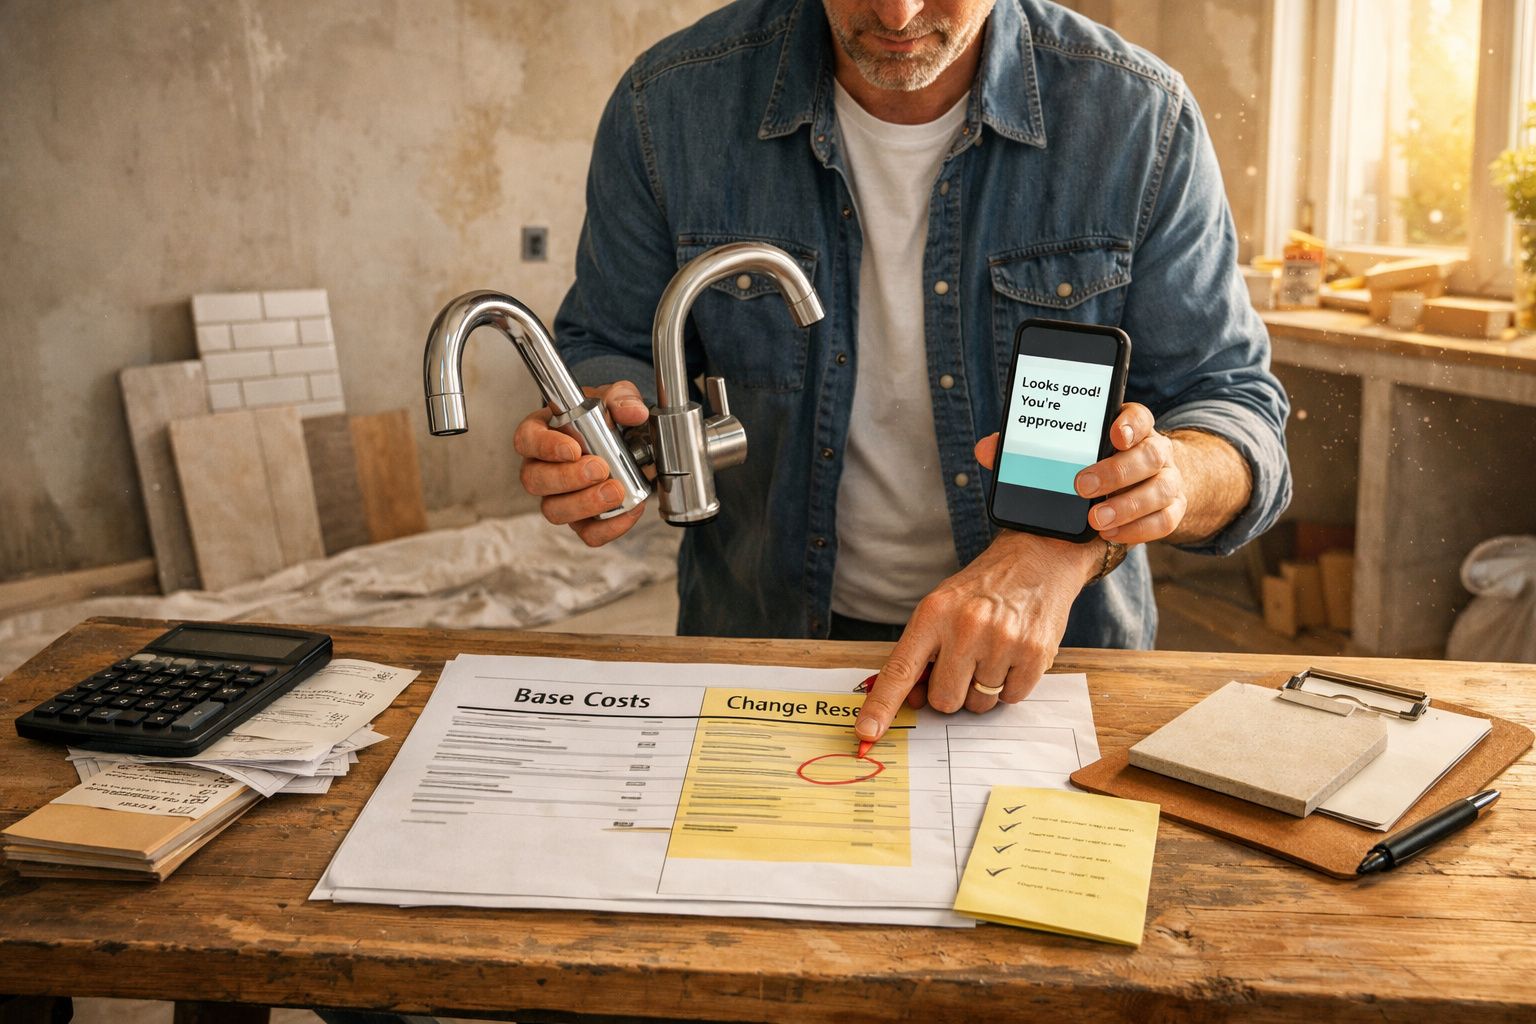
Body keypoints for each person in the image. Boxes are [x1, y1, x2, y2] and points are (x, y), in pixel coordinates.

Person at [514, 0, 1290, 750]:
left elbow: (1235, 409)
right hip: (762, 649)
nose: (896, 14)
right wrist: (606, 423)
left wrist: (1148, 492)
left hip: (1053, 666)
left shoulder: (1138, 119)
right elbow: (605, 342)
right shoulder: (672, 106)